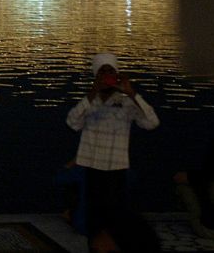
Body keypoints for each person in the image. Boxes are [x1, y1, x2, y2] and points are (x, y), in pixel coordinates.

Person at [66, 53, 160, 252]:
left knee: (117, 219)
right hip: (93, 168)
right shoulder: (90, 102)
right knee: (94, 219)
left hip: (116, 169)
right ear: (96, 76)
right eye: (103, 72)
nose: (107, 76)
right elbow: (72, 123)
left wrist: (132, 93)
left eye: (111, 71)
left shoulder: (126, 103)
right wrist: (93, 92)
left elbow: (152, 123)